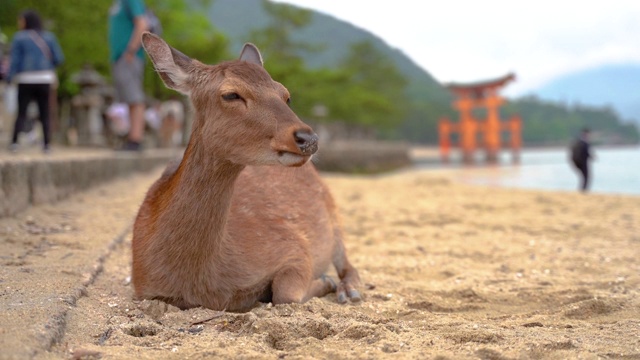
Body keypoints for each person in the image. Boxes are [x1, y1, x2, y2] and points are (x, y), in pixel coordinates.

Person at [6, 10, 64, 153]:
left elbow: (15, 61)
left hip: (25, 79)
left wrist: (9, 78)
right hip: (44, 78)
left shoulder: (19, 38)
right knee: (45, 112)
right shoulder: (49, 37)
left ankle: (14, 143)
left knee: (22, 112)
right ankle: (46, 145)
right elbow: (59, 58)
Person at [108, 0, 148, 151]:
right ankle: (132, 137)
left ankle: (135, 139)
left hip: (129, 56)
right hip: (120, 56)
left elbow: (142, 23)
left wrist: (131, 50)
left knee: (135, 97)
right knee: (128, 98)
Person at [570, 127, 594, 192]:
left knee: (584, 177)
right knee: (586, 177)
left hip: (577, 162)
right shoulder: (584, 143)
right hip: (582, 162)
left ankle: (582, 190)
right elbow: (586, 153)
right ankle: (583, 190)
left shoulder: (577, 142)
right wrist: (592, 157)